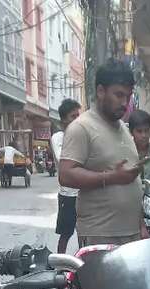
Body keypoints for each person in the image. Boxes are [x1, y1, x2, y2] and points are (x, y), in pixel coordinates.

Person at [59, 60, 144, 247]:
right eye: (119, 95)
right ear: (100, 91)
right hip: (100, 236)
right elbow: (65, 175)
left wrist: (142, 226)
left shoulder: (124, 129)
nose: (125, 103)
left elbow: (133, 183)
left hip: (132, 235)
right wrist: (112, 177)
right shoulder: (81, 127)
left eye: (128, 96)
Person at [51, 98, 82, 253]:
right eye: (73, 116)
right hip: (68, 195)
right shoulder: (58, 138)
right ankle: (60, 263)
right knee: (66, 234)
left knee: (85, 233)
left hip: (84, 194)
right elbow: (63, 160)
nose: (77, 120)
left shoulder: (84, 136)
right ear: (63, 120)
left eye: (78, 116)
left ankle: (85, 262)